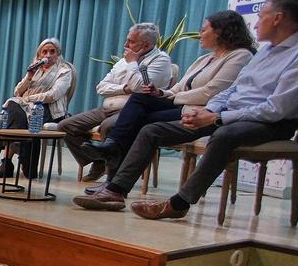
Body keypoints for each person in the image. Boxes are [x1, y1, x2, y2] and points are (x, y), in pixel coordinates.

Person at [74, 0, 298, 219]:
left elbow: (277, 109)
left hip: (268, 123)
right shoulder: (265, 51)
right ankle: (115, 191)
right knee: (152, 130)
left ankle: (179, 203)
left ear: (278, 18)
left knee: (224, 135)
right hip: (228, 114)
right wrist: (211, 110)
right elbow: (232, 89)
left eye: (262, 15)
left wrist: (217, 118)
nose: (256, 22)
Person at [90, 10, 255, 177]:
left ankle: (113, 175)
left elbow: (211, 93)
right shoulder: (204, 59)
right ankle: (112, 150)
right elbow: (179, 86)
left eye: (204, 30)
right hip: (181, 104)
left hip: (200, 111)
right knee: (140, 98)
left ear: (220, 32)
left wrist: (174, 97)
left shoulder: (240, 55)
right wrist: (161, 92)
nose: (200, 34)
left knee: (136, 121)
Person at [58, 23, 171, 182]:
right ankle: (99, 161)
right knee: (65, 126)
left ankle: (112, 179)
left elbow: (139, 87)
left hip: (132, 111)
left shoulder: (161, 60)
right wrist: (124, 88)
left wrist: (132, 64)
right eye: (127, 40)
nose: (125, 44)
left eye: (131, 41)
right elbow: (101, 87)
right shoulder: (123, 60)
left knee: (109, 126)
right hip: (107, 107)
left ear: (146, 45)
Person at [0, 38, 77, 178]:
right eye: (44, 52)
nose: (48, 55)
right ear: (39, 55)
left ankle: (7, 163)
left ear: (58, 54)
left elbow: (53, 95)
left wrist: (27, 99)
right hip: (25, 108)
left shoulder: (64, 71)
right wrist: (29, 77)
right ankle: (25, 163)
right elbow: (17, 92)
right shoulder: (35, 70)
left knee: (9, 116)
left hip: (48, 110)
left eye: (52, 52)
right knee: (13, 110)